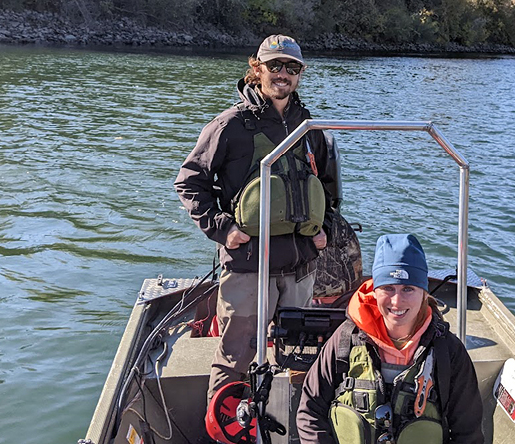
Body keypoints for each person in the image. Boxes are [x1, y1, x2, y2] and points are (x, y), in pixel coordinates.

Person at [174, 34, 335, 404]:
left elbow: (327, 187)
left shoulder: (309, 128)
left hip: (300, 266)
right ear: (256, 68)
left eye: (291, 67)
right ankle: (226, 429)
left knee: (298, 357)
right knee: (235, 359)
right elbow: (189, 182)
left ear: (300, 74)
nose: (283, 74)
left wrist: (324, 229)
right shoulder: (229, 125)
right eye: (274, 65)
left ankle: (293, 427)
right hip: (249, 267)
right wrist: (223, 229)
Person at [297, 234, 485, 444]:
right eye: (388, 288)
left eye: (408, 289)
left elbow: (468, 434)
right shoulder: (345, 339)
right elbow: (310, 412)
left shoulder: (448, 352)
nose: (397, 301)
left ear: (424, 293)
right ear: (374, 290)